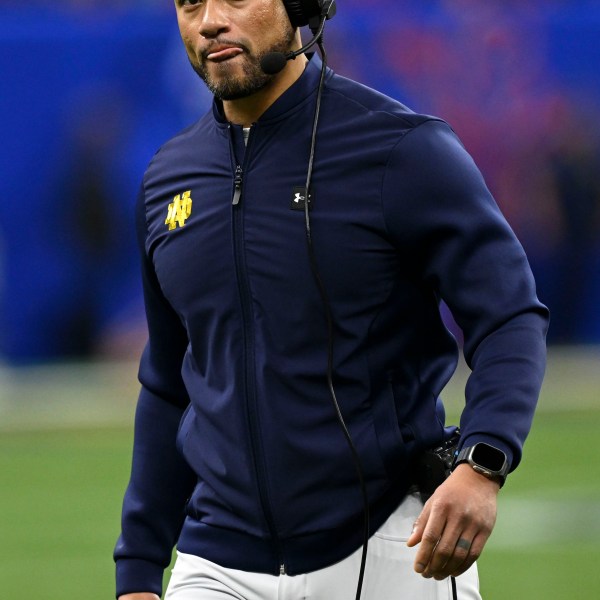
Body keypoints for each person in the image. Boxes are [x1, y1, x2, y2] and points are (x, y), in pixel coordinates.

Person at [114, 1, 549, 599]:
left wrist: (484, 461)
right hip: (216, 561)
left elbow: (509, 316)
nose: (211, 19)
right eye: (190, 1)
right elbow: (168, 382)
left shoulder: (402, 149)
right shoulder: (169, 176)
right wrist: (137, 570)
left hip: (392, 547)